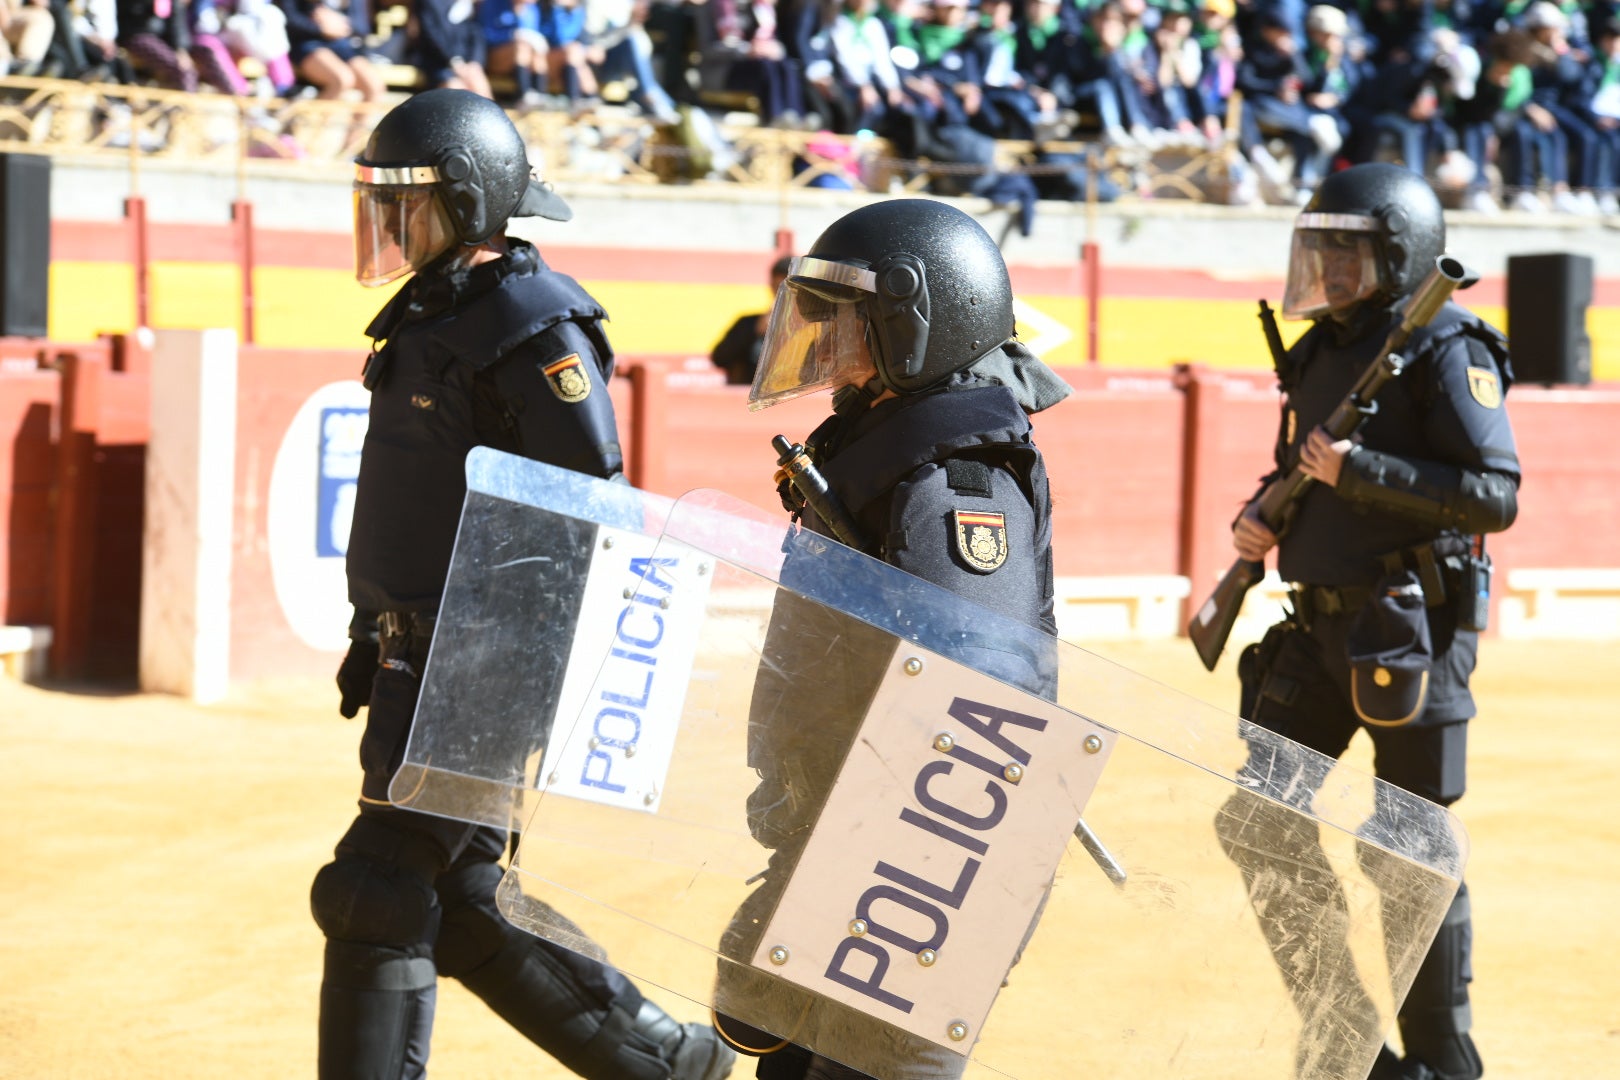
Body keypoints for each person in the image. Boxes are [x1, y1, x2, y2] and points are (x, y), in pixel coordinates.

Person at [314, 88, 736, 1080]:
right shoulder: (431, 311)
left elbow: (594, 505)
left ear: (468, 200)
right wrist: (373, 634)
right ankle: (672, 1065)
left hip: (491, 659)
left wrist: (530, 665)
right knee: (456, 903)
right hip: (421, 655)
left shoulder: (531, 320)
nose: (386, 222)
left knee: (377, 891)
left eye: (405, 200)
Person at [712, 198, 1072, 1080]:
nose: (822, 340)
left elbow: (973, 716)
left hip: (922, 875)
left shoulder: (962, 482)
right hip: (856, 852)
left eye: (845, 321)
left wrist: (867, 881)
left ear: (915, 325)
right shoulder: (885, 450)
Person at [1219, 162, 1519, 1080]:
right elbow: (1304, 468)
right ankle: (1350, 1045)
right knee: (1257, 822)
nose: (1328, 270)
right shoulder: (1316, 351)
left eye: (1347, 253)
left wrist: (1366, 475)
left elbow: (1495, 496)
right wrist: (1262, 513)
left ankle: (1441, 1059)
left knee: (1409, 851)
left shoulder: (1448, 349)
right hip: (1314, 628)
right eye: (1321, 250)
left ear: (1401, 257)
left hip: (1413, 629)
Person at [708, 252, 790, 385]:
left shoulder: (811, 327)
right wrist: (754, 330)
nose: (784, 295)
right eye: (779, 288)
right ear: (771, 285)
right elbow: (719, 358)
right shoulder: (748, 323)